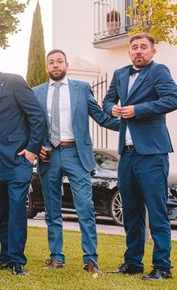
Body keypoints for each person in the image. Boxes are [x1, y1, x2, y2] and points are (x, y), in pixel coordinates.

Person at [32, 49, 120, 274]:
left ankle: (90, 260)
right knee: (52, 209)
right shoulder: (37, 92)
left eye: (59, 61)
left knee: (85, 207)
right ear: (47, 67)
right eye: (51, 62)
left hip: (76, 153)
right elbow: (31, 124)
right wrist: (36, 146)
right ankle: (56, 257)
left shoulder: (81, 88)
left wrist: (129, 125)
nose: (55, 65)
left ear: (66, 64)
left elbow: (100, 116)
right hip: (49, 155)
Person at [103, 33, 177, 280]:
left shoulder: (159, 72)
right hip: (126, 155)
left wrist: (137, 110)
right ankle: (133, 262)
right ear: (129, 52)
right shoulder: (119, 74)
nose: (138, 51)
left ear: (152, 51)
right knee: (132, 211)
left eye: (143, 47)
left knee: (156, 211)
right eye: (134, 47)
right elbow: (106, 101)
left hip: (152, 154)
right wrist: (112, 109)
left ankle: (162, 267)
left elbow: (173, 100)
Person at [0, 44, 45, 276]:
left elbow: (36, 116)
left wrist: (32, 149)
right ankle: (4, 256)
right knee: (1, 211)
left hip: (17, 159)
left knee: (16, 209)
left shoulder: (14, 82)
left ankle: (17, 260)